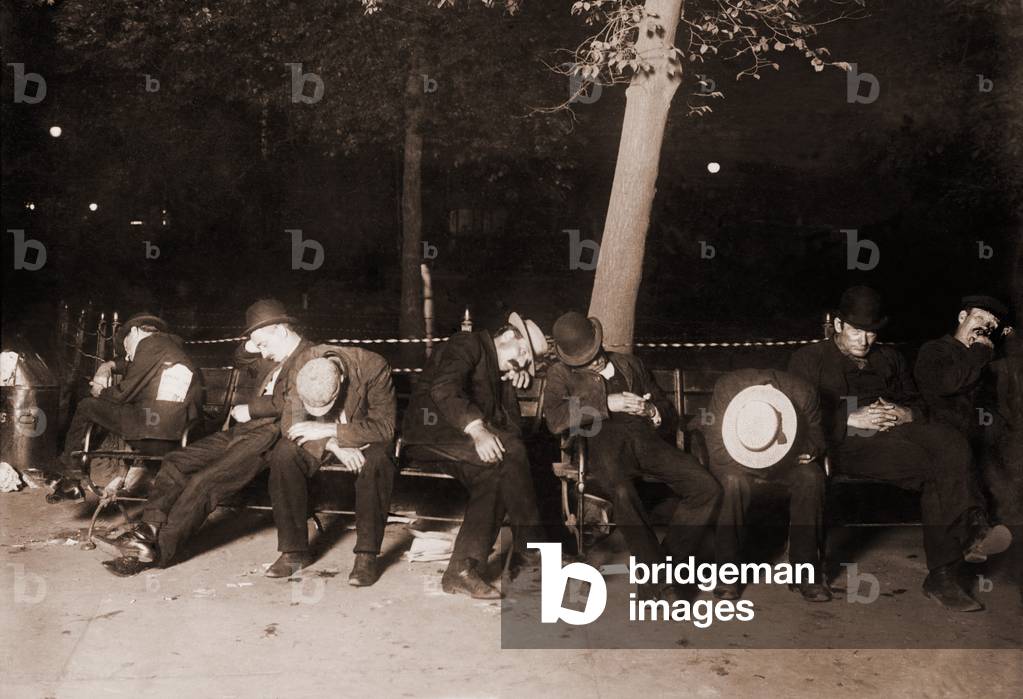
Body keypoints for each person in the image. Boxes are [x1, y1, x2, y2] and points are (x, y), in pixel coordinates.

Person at [788, 286, 1011, 611]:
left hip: (888, 444)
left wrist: (908, 412)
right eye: (856, 331)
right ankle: (807, 573)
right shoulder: (809, 360)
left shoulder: (889, 357)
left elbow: (917, 403)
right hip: (840, 446)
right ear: (837, 325)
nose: (864, 341)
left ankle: (947, 569)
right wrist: (851, 420)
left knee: (947, 446)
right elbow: (800, 417)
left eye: (872, 333)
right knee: (940, 460)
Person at [95, 299, 313, 576]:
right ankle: (147, 530)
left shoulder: (310, 356)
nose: (262, 352)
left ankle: (157, 552)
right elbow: (240, 358)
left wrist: (252, 408)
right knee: (176, 460)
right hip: (246, 430)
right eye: (259, 346)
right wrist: (257, 339)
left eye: (264, 344)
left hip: (273, 435)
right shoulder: (275, 353)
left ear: (281, 331)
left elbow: (298, 403)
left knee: (206, 481)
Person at [544, 311, 721, 603]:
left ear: (599, 340)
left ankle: (659, 571)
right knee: (623, 491)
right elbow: (555, 419)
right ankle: (662, 584)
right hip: (600, 444)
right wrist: (606, 403)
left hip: (646, 441)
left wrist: (651, 412)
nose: (593, 361)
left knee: (707, 488)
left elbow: (664, 405)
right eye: (583, 361)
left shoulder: (629, 363)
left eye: (595, 353)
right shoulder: (560, 375)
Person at [402, 312, 549, 599]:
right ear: (507, 337)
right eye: (522, 353)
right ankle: (531, 552)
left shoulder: (499, 369)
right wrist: (478, 429)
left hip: (461, 443)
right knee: (511, 451)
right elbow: (444, 388)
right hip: (430, 433)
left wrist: (510, 384)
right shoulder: (467, 343)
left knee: (495, 475)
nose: (523, 362)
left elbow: (512, 428)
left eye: (528, 360)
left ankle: (461, 570)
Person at [264, 348, 397, 584]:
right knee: (284, 453)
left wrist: (330, 429)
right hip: (326, 441)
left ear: (342, 379)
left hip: (366, 438)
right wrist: (333, 444)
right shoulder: (305, 363)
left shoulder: (374, 366)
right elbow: (291, 424)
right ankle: (294, 551)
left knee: (377, 461)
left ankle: (366, 556)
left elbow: (384, 428)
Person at [702, 369, 830, 602]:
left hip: (788, 459)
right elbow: (715, 444)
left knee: (812, 478)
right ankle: (727, 574)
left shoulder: (803, 392)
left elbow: (817, 435)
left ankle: (806, 573)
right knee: (733, 483)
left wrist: (807, 451)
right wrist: (753, 459)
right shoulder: (728, 388)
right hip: (735, 459)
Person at [50, 313, 201, 501]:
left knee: (87, 406)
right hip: (178, 428)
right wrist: (107, 366)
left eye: (126, 346)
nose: (128, 355)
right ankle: (78, 476)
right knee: (116, 409)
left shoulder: (150, 345)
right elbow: (130, 365)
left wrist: (99, 391)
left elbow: (122, 394)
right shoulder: (169, 346)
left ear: (135, 331)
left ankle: (71, 476)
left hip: (156, 429)